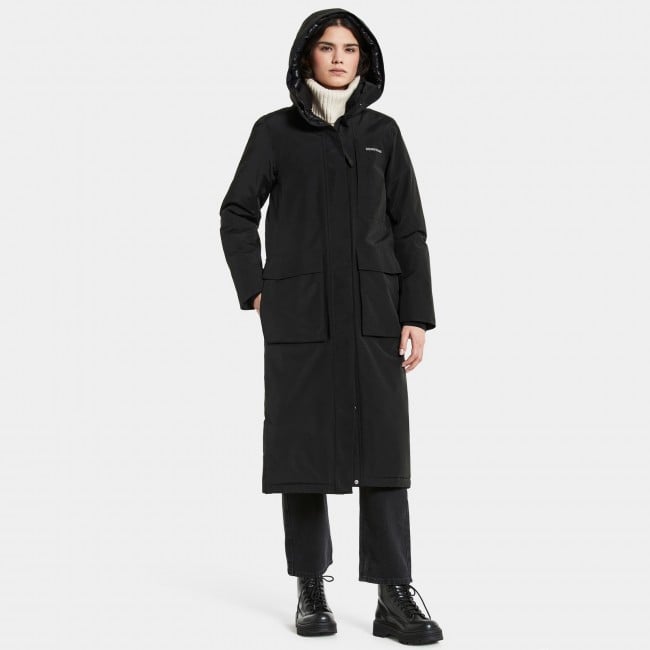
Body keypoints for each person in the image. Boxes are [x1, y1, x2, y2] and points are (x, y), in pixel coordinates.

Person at [220, 8, 444, 644]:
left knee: (384, 453)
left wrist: (416, 314)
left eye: (350, 48)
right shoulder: (275, 132)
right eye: (327, 47)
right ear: (307, 57)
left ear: (363, 60)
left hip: (375, 317)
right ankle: (310, 586)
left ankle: (393, 594)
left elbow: (409, 228)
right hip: (302, 318)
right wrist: (257, 290)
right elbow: (237, 213)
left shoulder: (383, 134)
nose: (339, 57)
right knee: (303, 451)